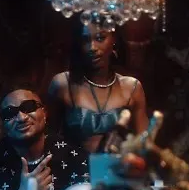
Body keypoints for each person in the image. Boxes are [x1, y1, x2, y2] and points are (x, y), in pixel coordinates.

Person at [48, 19, 149, 153]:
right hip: (73, 164)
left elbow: (144, 144)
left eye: (100, 38)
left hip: (119, 165)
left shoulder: (132, 88)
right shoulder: (62, 84)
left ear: (113, 39)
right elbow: (47, 137)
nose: (92, 48)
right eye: (85, 40)